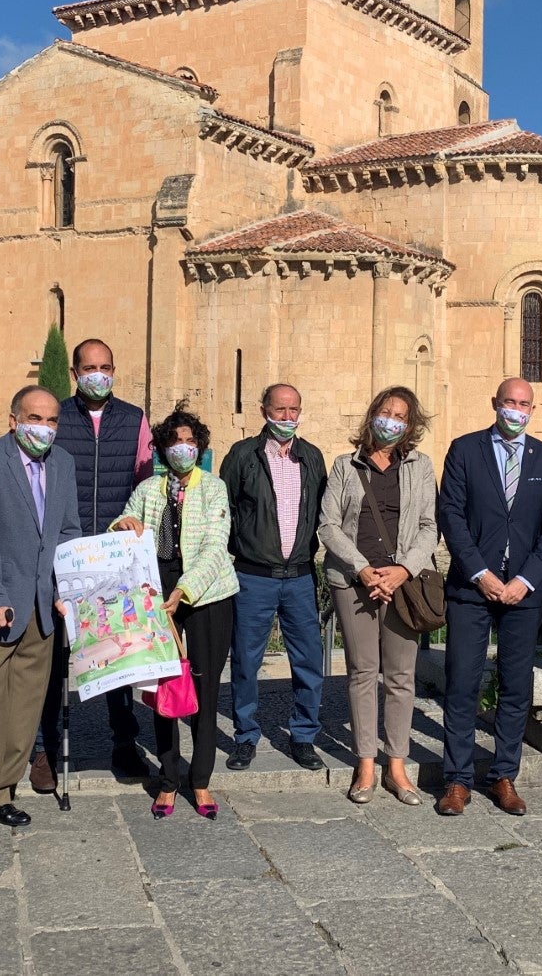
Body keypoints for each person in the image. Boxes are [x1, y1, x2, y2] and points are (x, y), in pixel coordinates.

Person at [0, 387, 81, 845]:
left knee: (24, 710)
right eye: (34, 418)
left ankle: (3, 791)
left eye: (51, 420)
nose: (43, 428)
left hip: (42, 610)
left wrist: (66, 590)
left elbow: (68, 532)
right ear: (13, 420)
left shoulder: (63, 464)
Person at [437, 378, 542, 817]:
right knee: (462, 681)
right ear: (495, 403)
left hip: (522, 591)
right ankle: (457, 778)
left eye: (524, 404)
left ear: (533, 409)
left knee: (515, 684)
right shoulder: (465, 450)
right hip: (472, 587)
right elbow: (451, 514)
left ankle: (503, 775)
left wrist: (525, 579)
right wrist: (480, 573)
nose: (516, 410)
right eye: (509, 402)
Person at [33, 338, 154, 791]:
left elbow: (145, 483)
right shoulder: (57, 417)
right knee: (53, 658)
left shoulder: (134, 419)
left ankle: (124, 741)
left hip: (113, 554)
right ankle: (44, 749)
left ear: (114, 370)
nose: (98, 375)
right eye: (89, 368)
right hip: (64, 552)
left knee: (117, 649)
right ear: (75, 374)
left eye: (105, 366)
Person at [113, 409, 238, 817]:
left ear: (199, 446)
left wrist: (186, 589)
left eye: (189, 441)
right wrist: (122, 525)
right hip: (158, 591)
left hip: (206, 593)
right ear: (163, 448)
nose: (183, 448)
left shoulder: (214, 488)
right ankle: (168, 780)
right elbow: (124, 522)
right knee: (164, 685)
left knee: (204, 686)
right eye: (174, 441)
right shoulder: (149, 488)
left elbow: (216, 546)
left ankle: (200, 779)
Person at [319, 387, 438, 805]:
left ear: (410, 425)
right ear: (372, 415)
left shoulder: (421, 466)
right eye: (386, 412)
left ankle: (397, 765)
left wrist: (403, 569)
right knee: (363, 672)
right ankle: (366, 763)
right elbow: (328, 525)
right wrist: (362, 568)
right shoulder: (345, 465)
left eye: (401, 416)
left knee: (401, 676)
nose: (392, 421)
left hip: (402, 584)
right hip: (355, 582)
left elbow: (429, 526)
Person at [220, 384, 328, 772]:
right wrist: (244, 546)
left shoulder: (311, 457)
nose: (287, 417)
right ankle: (245, 737)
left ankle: (303, 736)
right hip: (254, 577)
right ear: (264, 409)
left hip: (299, 576)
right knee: (246, 661)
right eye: (280, 409)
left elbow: (322, 511)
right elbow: (224, 508)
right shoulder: (242, 455)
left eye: (293, 409)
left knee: (309, 660)